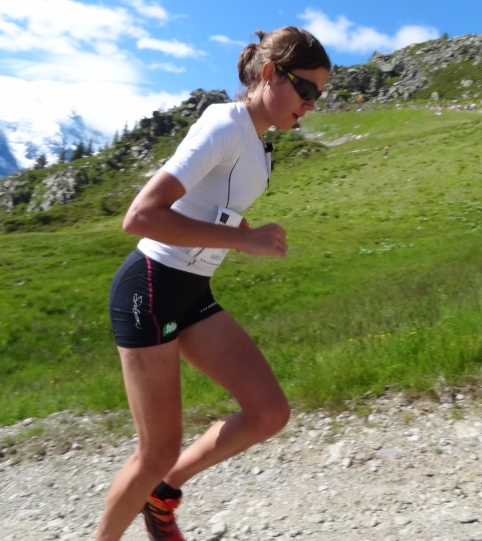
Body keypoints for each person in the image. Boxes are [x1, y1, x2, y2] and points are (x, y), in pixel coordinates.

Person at [96, 26, 331, 541]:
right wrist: (245, 243)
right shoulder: (223, 124)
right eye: (307, 90)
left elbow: (210, 210)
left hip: (191, 291)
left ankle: (162, 495)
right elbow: (140, 217)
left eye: (320, 95)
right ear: (270, 74)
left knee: (268, 412)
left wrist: (241, 232)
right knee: (155, 448)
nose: (311, 105)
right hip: (151, 288)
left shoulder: (258, 144)